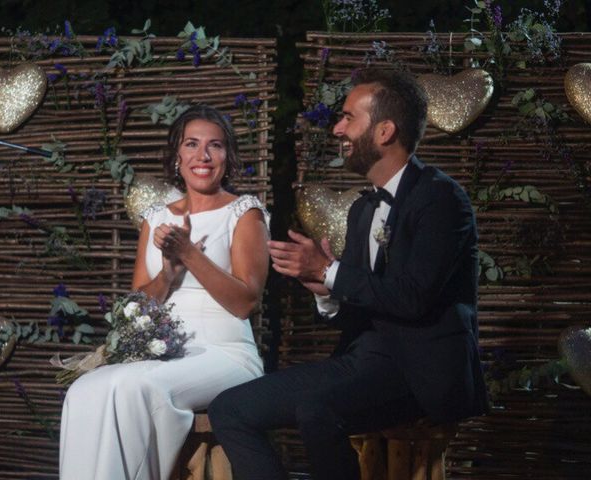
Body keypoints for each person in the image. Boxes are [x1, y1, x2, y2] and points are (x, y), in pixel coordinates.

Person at [208, 68, 488, 480]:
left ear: (384, 130)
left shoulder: (442, 199)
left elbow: (413, 297)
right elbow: (362, 301)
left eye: (348, 117)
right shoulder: (362, 210)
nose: (338, 128)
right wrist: (326, 290)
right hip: (362, 362)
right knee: (228, 409)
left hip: (419, 373)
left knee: (317, 408)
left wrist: (331, 270)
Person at [59, 105, 270, 480]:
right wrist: (168, 274)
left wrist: (188, 253)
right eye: (192, 144)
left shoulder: (244, 213)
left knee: (132, 387)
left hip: (225, 353)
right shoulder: (156, 217)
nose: (203, 156)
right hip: (166, 351)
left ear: (228, 157)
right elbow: (136, 307)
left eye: (215, 146)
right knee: (86, 389)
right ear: (177, 156)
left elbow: (245, 303)